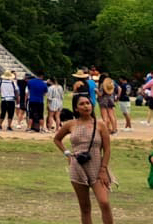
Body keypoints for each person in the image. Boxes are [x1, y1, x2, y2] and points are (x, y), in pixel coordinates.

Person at [53, 95, 113, 224]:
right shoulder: (71, 124)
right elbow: (57, 139)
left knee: (104, 202)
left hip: (97, 167)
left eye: (88, 103)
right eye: (82, 104)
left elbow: (107, 149)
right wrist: (67, 154)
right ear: (76, 108)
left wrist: (103, 169)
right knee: (85, 208)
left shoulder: (100, 125)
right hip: (78, 167)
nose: (86, 106)